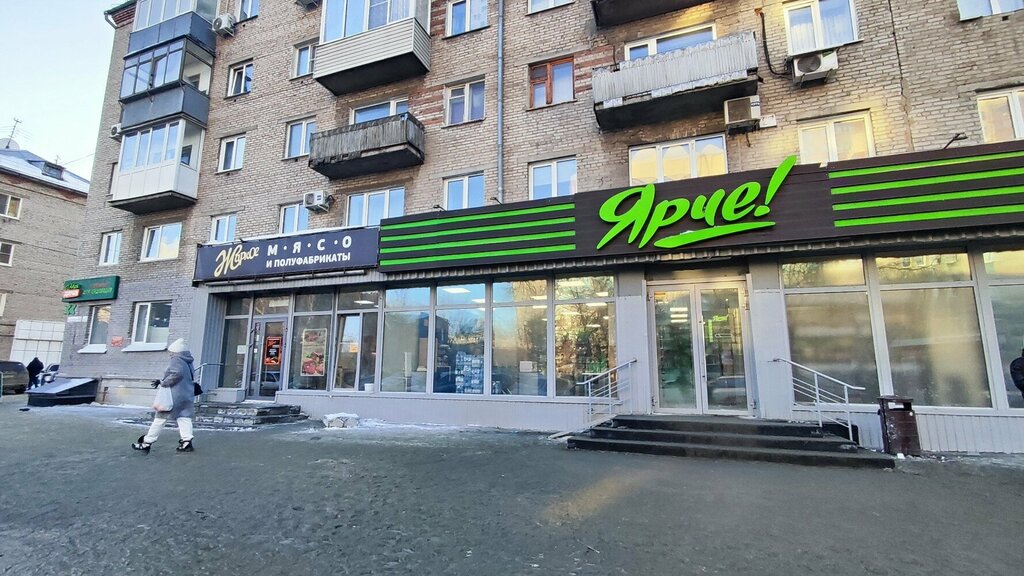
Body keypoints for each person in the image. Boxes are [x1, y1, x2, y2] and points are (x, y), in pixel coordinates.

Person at [132, 338, 196, 453]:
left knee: (160, 418)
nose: (170, 354)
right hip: (186, 393)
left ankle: (147, 442)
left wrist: (163, 382)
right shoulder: (188, 361)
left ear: (176, 351)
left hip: (173, 395)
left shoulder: (176, 359)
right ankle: (187, 442)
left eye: (171, 352)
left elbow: (177, 373)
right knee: (184, 417)